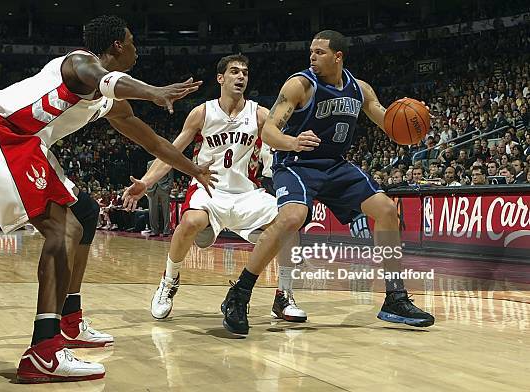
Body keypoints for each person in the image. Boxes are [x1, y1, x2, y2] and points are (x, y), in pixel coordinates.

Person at [0, 15, 214, 383]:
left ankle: (70, 321)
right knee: (64, 231)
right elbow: (110, 80)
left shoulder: (110, 103)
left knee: (86, 213)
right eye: (133, 41)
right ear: (118, 46)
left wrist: (194, 169)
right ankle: (43, 351)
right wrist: (154, 91)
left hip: (26, 145)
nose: (138, 49)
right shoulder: (78, 63)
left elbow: (152, 142)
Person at [219, 30, 435, 335]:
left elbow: (389, 123)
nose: (312, 56)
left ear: (338, 56)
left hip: (334, 166)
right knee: (292, 217)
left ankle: (395, 298)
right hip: (296, 163)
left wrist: (416, 119)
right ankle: (239, 294)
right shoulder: (300, 84)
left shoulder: (359, 89)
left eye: (319, 52)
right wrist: (292, 142)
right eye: (311, 51)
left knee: (387, 210)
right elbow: (268, 132)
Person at [122, 54, 307, 323]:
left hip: (247, 194)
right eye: (234, 71)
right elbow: (172, 152)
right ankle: (169, 281)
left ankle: (284, 296)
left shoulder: (258, 114)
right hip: (209, 189)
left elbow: (283, 137)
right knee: (190, 221)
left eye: (245, 72)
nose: (241, 76)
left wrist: (296, 141)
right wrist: (146, 182)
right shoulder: (203, 113)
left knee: (290, 225)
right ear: (220, 78)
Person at [145, 159, 174, 236]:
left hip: (164, 188)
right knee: (152, 211)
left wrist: (169, 187)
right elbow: (147, 176)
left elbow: (171, 177)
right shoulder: (150, 163)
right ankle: (154, 230)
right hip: (152, 189)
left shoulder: (168, 162)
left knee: (166, 211)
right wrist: (147, 188)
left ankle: (166, 231)